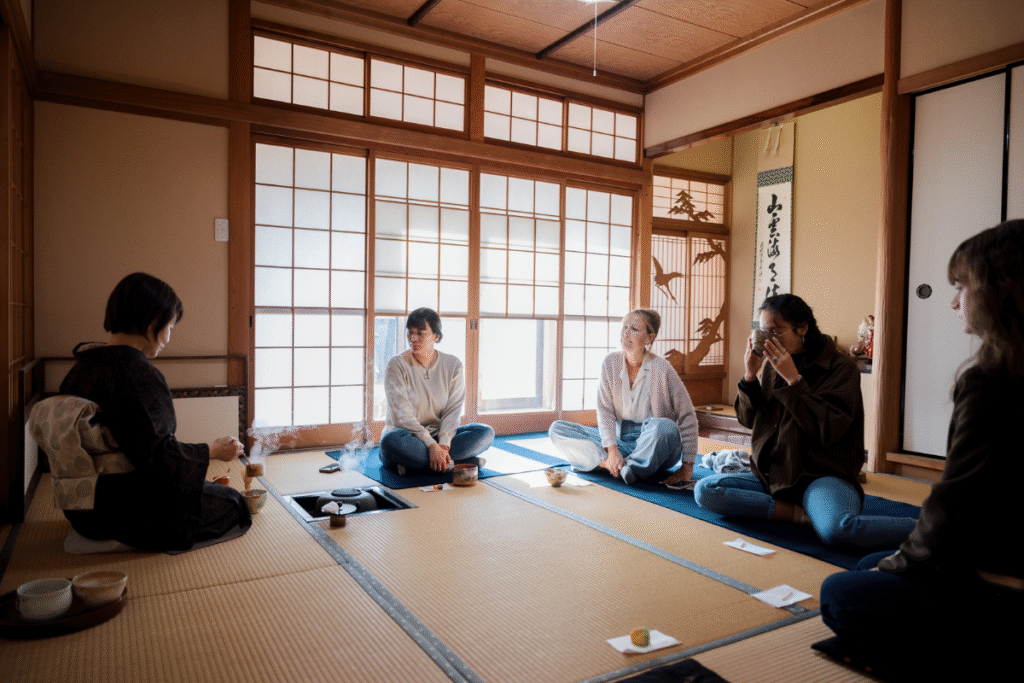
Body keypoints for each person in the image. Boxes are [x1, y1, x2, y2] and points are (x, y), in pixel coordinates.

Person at [819, 220, 1024, 681]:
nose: (954, 301)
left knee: (841, 593)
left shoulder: (992, 380)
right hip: (998, 545)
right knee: (871, 564)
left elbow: (958, 501)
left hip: (1000, 574)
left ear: (998, 292)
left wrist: (904, 563)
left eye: (962, 287)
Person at [693, 294, 916, 550]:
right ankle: (801, 515)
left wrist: (794, 382)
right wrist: (750, 375)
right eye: (763, 331)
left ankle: (936, 530)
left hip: (821, 475)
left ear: (803, 328)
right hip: (775, 476)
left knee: (839, 531)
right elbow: (748, 419)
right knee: (706, 490)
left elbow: (828, 431)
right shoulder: (771, 366)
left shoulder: (841, 368)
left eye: (775, 331)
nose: (768, 338)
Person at [59, 272, 251, 552]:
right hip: (122, 511)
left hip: (80, 510)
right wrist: (213, 450)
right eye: (170, 326)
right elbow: (159, 457)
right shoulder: (136, 374)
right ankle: (125, 541)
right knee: (234, 504)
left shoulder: (83, 367)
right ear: (152, 322)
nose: (168, 338)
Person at [549, 309, 698, 485]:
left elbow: (687, 416)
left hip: (655, 445)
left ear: (649, 338)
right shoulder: (610, 363)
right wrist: (612, 450)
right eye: (624, 327)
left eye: (634, 329)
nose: (626, 333)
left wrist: (687, 465)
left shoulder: (662, 368)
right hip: (621, 443)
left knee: (664, 427)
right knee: (557, 429)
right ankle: (615, 465)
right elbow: (604, 411)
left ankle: (610, 464)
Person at [380, 307, 494, 474]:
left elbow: (453, 411)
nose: (413, 338)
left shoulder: (452, 365)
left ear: (436, 336)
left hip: (439, 437)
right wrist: (431, 445)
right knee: (392, 441)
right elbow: (402, 417)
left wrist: (443, 446)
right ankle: (461, 463)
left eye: (420, 333)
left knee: (484, 433)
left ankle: (419, 466)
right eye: (410, 333)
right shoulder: (396, 365)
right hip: (408, 437)